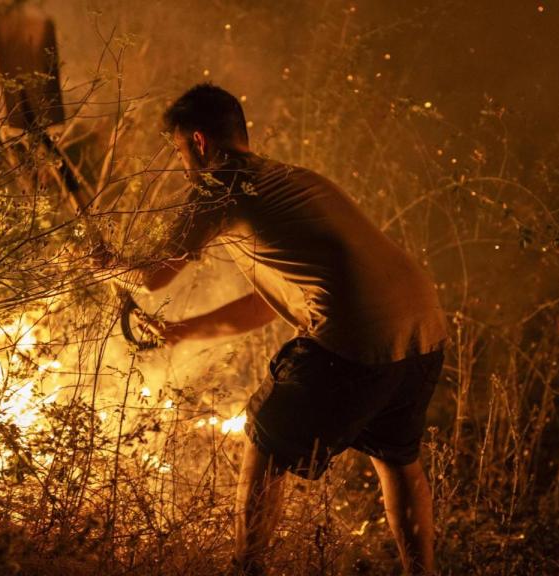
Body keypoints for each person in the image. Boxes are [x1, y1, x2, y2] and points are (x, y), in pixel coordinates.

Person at [106, 83, 447, 575]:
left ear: (199, 142)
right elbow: (267, 305)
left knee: (264, 435)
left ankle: (247, 568)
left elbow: (151, 276)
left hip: (355, 335)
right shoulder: (292, 179)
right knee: (396, 457)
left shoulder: (218, 185)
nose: (182, 164)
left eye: (179, 150)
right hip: (424, 329)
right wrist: (183, 331)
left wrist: (100, 265)